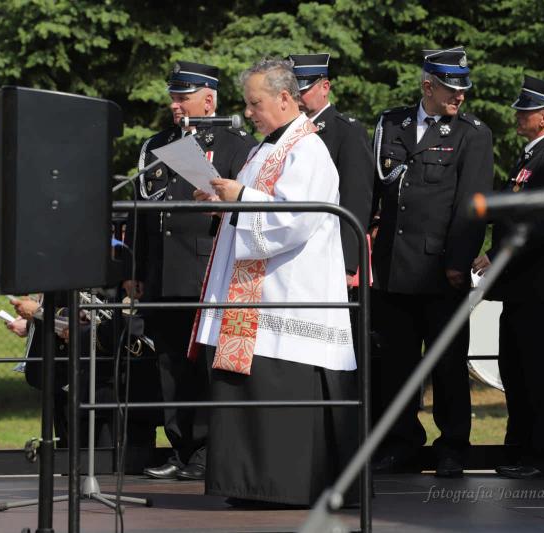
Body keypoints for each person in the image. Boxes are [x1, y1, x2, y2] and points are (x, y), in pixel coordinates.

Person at [191, 58, 356, 507]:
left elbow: (295, 220)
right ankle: (251, 484)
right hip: (255, 298)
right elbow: (254, 204)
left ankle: (286, 486)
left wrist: (240, 197)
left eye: (255, 103)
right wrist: (221, 198)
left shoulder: (308, 150)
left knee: (280, 391)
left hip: (288, 296)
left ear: (285, 98)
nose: (248, 113)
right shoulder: (267, 148)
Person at [124, 60, 256, 481]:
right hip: (162, 271)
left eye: (184, 97)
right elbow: (141, 213)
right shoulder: (157, 145)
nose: (175, 105)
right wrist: (134, 268)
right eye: (173, 97)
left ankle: (207, 450)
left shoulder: (236, 144)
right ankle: (181, 446)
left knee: (204, 365)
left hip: (205, 271)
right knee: (169, 364)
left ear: (209, 99)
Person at [370, 46, 493, 477]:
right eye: (450, 88)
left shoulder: (472, 134)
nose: (460, 96)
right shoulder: (392, 124)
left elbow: (472, 204)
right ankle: (401, 443)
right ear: (428, 86)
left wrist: (458, 261)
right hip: (393, 267)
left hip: (440, 269)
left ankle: (453, 446)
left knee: (447, 364)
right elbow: (376, 191)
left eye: (463, 89)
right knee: (396, 364)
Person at [472, 76, 544, 479]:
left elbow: (543, 224)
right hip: (520, 287)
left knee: (540, 374)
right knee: (516, 370)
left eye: (526, 111)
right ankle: (522, 448)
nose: (518, 116)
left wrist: (498, 254)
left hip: (539, 287)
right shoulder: (531, 157)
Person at [288, 53, 374, 280]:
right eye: (291, 91)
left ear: (325, 87)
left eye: (302, 90)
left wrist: (348, 264)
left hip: (328, 251)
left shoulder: (346, 131)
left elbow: (355, 199)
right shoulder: (287, 131)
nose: (296, 98)